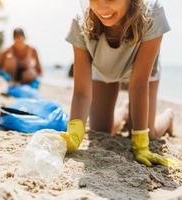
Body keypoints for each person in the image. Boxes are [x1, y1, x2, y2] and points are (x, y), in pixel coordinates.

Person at [61, 0, 176, 167]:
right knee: (100, 131)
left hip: (141, 72)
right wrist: (74, 132)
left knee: (149, 133)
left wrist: (141, 143)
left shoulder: (152, 15)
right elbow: (81, 93)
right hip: (105, 68)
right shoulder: (81, 23)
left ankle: (168, 116)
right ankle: (124, 111)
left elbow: (138, 84)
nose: (101, 7)